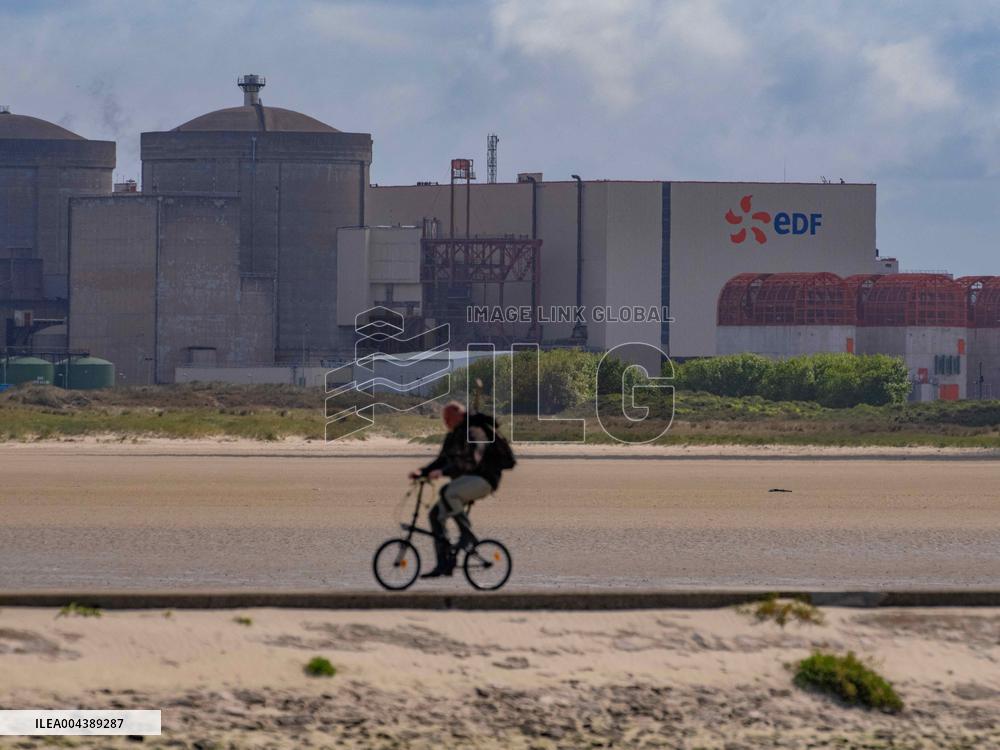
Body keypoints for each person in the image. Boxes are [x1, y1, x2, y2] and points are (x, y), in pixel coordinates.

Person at [408, 400, 503, 577]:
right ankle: (443, 564)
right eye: (444, 418)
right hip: (463, 484)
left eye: (449, 417)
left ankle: (466, 533)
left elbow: (469, 461)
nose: (446, 421)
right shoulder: (452, 436)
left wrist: (442, 472)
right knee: (435, 516)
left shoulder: (473, 432)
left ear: (459, 415)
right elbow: (442, 460)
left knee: (447, 492)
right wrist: (422, 472)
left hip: (483, 480)